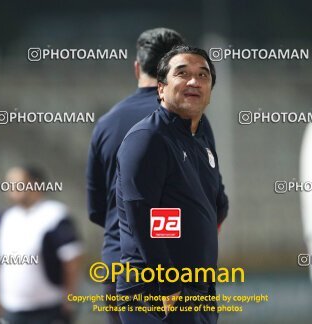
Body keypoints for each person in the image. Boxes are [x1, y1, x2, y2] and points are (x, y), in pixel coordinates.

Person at [116, 46, 228, 323]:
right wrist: (169, 285)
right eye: (183, 74)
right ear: (161, 88)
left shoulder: (201, 133)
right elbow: (143, 218)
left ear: (210, 90)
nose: (194, 81)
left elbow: (216, 199)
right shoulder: (148, 138)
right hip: (156, 290)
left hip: (198, 288)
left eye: (203, 75)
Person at [86, 27, 186, 324]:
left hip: (118, 267)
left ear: (136, 67)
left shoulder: (106, 124)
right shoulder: (187, 122)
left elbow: (96, 210)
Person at [0, 165, 83, 324]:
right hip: (12, 310)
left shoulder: (55, 215)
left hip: (48, 310)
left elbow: (72, 259)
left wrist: (69, 300)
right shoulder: (7, 217)